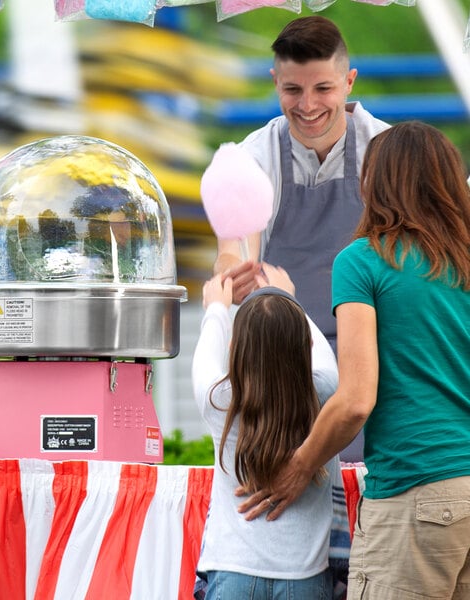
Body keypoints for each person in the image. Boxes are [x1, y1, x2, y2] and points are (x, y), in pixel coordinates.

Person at [238, 121, 470, 599]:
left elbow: (356, 400)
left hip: (415, 488)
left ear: (377, 183)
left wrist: (299, 467)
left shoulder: (363, 261)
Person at [213, 15, 389, 352]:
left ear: (349, 81)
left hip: (374, 349)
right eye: (293, 89)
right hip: (281, 352)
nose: (307, 106)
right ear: (275, 81)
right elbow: (232, 251)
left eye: (323, 88)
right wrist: (232, 276)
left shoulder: (386, 150)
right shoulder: (250, 158)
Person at [191, 263, 340, 599]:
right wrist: (288, 298)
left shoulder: (218, 399)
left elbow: (208, 346)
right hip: (303, 577)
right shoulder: (325, 392)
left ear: (235, 349)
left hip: (232, 572)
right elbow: (317, 349)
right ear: (303, 349)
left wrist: (217, 303)